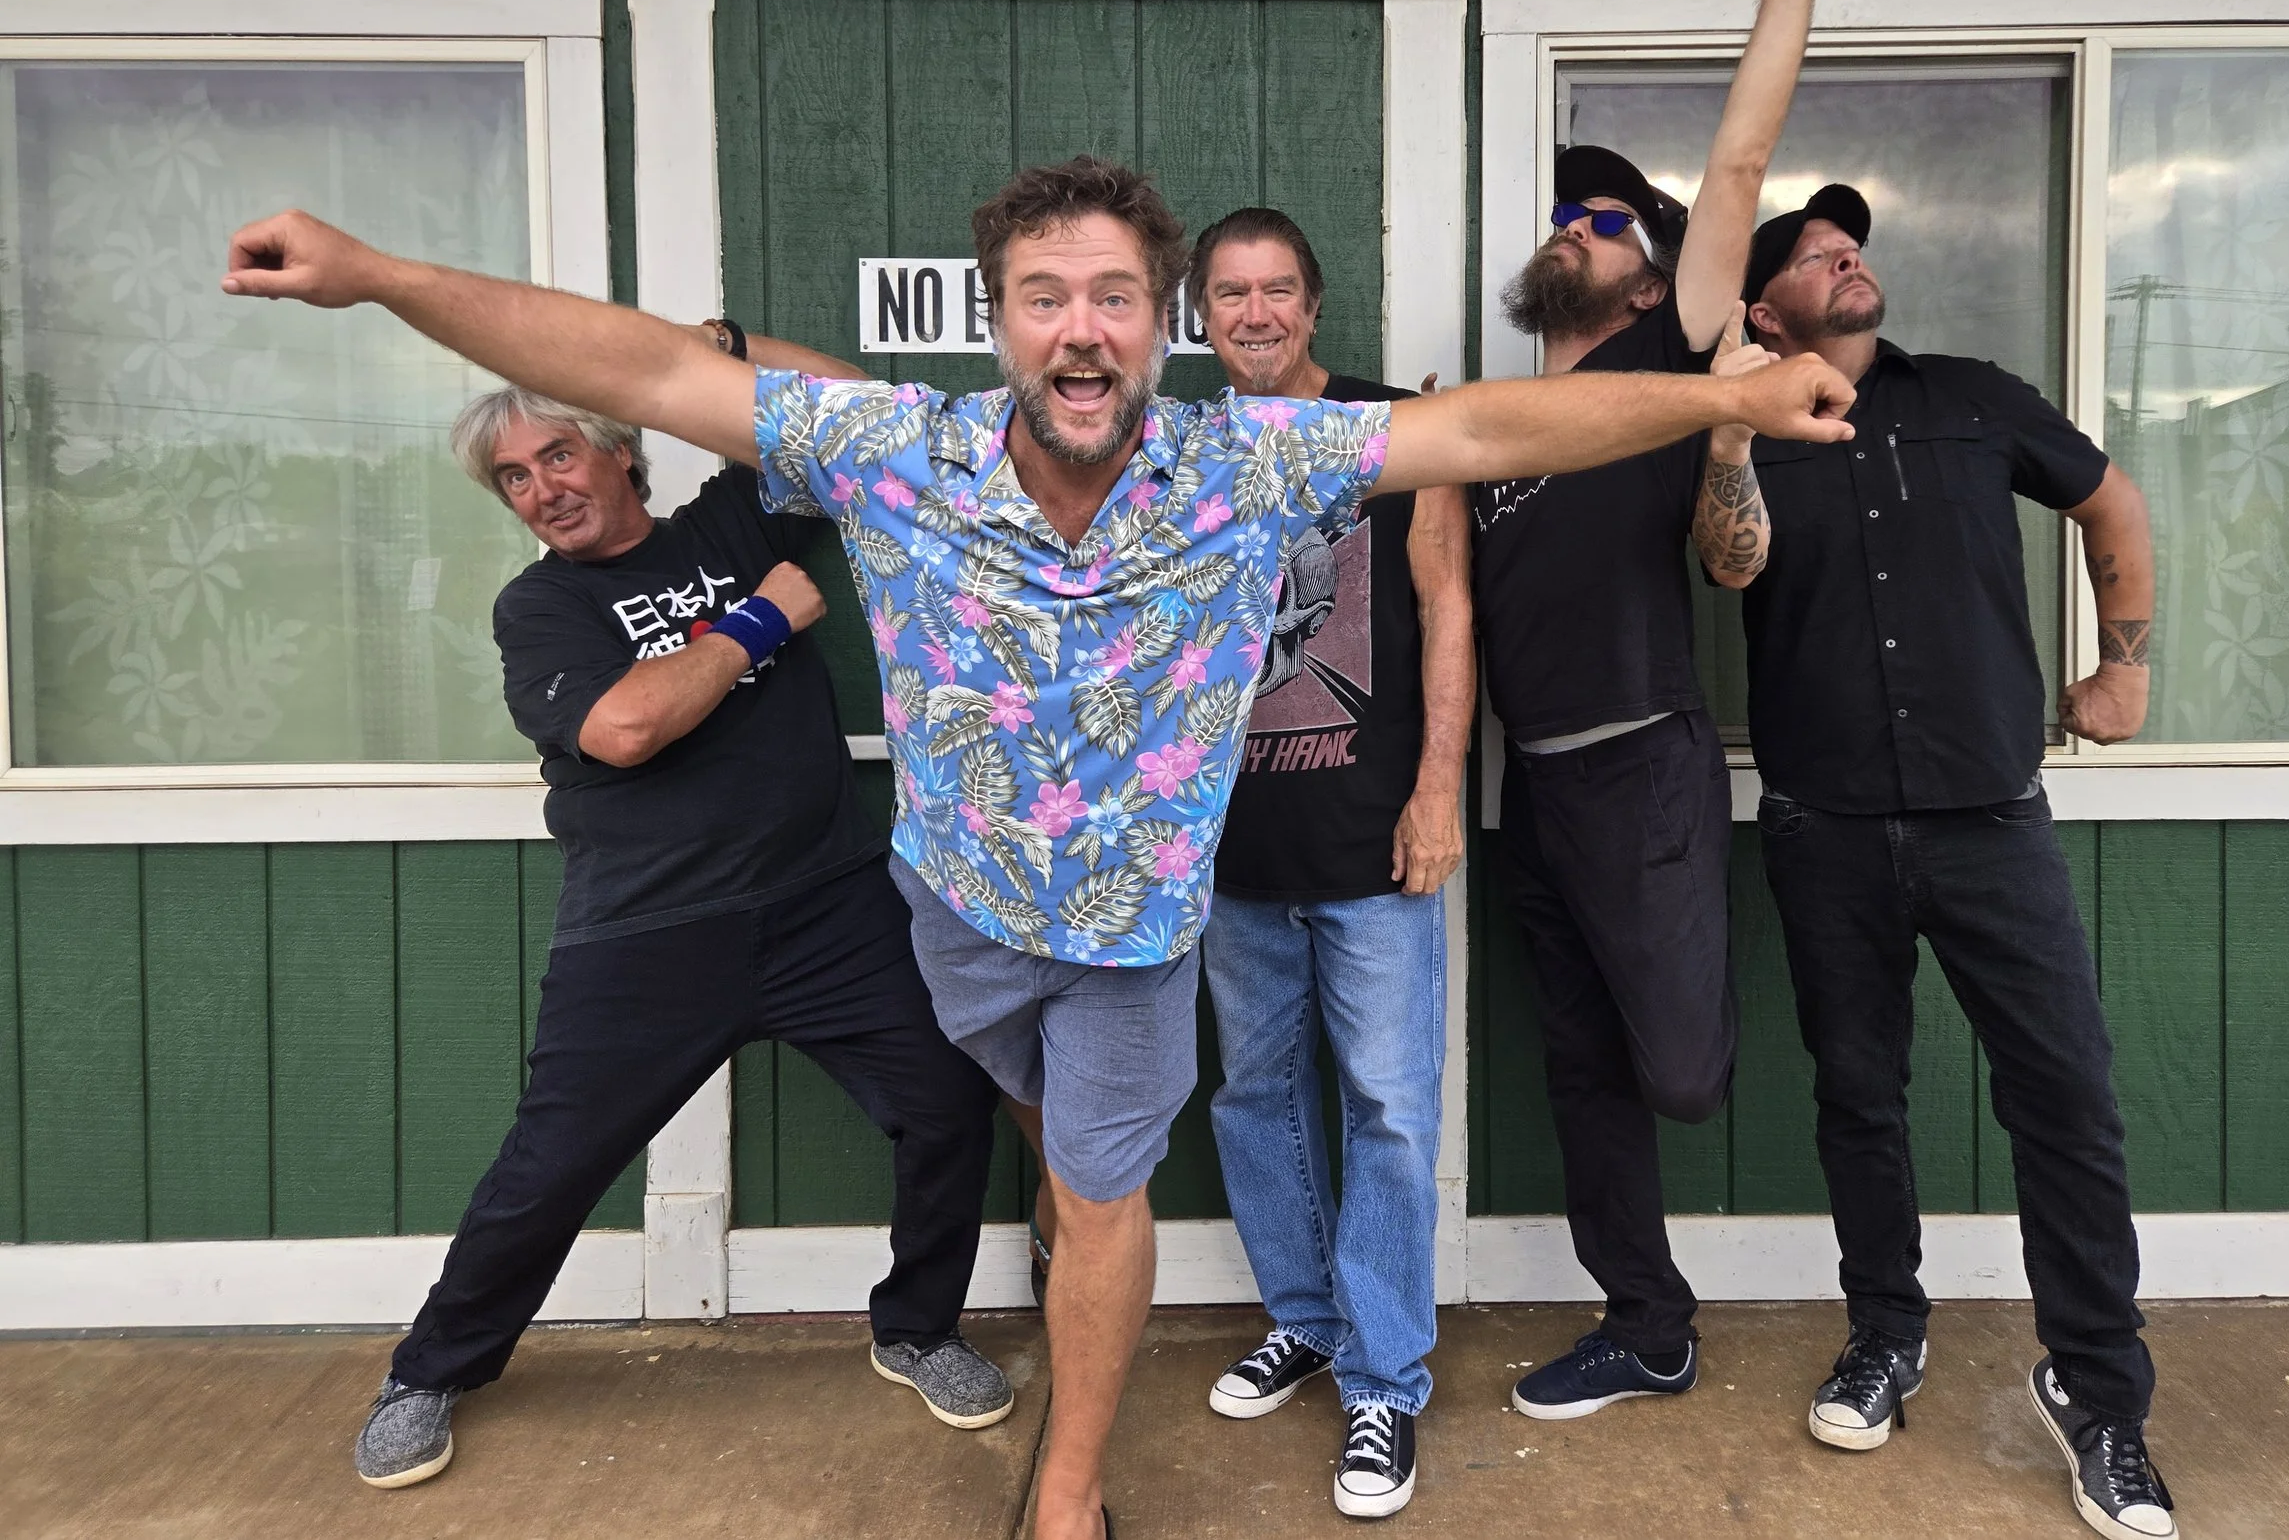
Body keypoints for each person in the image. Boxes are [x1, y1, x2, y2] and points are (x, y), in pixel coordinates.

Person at [221, 156, 1855, 1540]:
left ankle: (1067, 1492)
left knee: (1099, 1185)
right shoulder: (895, 451)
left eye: (1116, 296)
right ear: (1001, 321)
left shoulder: (1246, 462)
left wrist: (1722, 397)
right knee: (1038, 1125)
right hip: (959, 916)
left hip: (1134, 939)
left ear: (1161, 324)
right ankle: (1058, 1203)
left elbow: (1498, 431)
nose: (1082, 326)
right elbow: (639, 371)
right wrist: (378, 276)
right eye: (1046, 295)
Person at [350, 337, 1013, 1492]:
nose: (543, 488)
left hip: (826, 906)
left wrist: (728, 352)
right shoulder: (540, 608)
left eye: (559, 454)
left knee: (950, 1102)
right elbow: (623, 729)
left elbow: (860, 412)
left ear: (620, 449)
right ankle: (428, 1373)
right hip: (647, 932)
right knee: (550, 1167)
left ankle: (917, 1330)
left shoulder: (726, 526)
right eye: (514, 477)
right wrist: (759, 623)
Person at [1696, 183, 2174, 1540]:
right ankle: (1884, 1333)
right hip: (1825, 822)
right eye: (1810, 251)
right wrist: (1730, 421)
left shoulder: (1972, 395)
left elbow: (2111, 503)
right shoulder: (1744, 425)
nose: (1843, 255)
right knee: (1860, 1095)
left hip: (1989, 817)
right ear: (1764, 307)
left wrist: (2126, 669)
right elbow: (1727, 566)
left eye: (1849, 242)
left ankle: (2098, 1391)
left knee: (2065, 1098)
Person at [1472, 0, 1844, 1421]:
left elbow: (1743, 157)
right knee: (1579, 1066)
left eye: (1608, 215)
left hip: (1644, 763)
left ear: (1653, 269)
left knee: (1678, 1074)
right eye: (1565, 210)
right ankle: (1649, 1319)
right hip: (1531, 793)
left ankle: (1679, 1246)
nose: (1580, 226)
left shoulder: (1660, 363)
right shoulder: (1491, 418)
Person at [1187, 207, 1471, 1518]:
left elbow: (1446, 608)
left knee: (1389, 1111)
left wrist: (1436, 791)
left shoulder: (1394, 432)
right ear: (1201, 314)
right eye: (1230, 292)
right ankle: (1304, 1318)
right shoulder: (1178, 451)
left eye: (1277, 289)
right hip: (1230, 856)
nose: (1255, 312)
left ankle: (1383, 1380)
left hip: (1373, 849)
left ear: (1312, 304)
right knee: (1255, 1097)